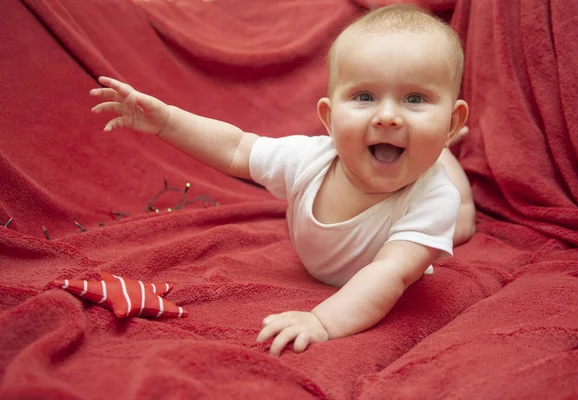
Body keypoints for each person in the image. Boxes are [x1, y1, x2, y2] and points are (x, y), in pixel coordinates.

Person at [90, 4, 476, 357]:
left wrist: (323, 321)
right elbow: (237, 149)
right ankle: (435, 149)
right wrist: (168, 123)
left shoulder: (431, 202)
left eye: (414, 99)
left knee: (458, 221)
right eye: (363, 96)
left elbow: (388, 273)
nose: (387, 116)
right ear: (327, 117)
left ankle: (443, 159)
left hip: (425, 213)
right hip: (404, 159)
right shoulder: (310, 158)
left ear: (452, 120)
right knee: (426, 164)